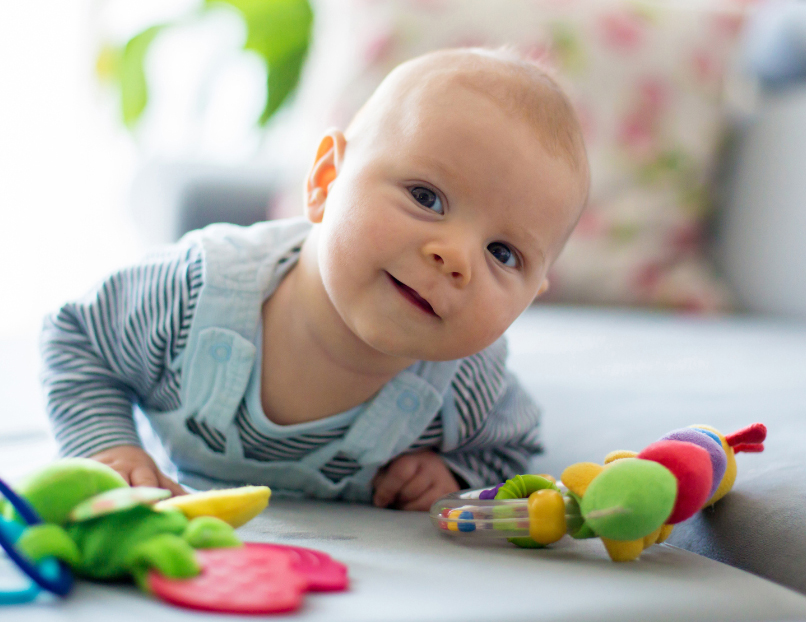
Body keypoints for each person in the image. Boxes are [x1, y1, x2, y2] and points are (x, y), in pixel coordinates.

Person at [41, 47, 589, 511]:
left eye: (503, 252)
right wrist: (108, 446)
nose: (456, 257)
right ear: (327, 178)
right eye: (426, 197)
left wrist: (451, 474)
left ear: (530, 297)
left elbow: (513, 447)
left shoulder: (467, 388)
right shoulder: (194, 291)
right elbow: (78, 338)